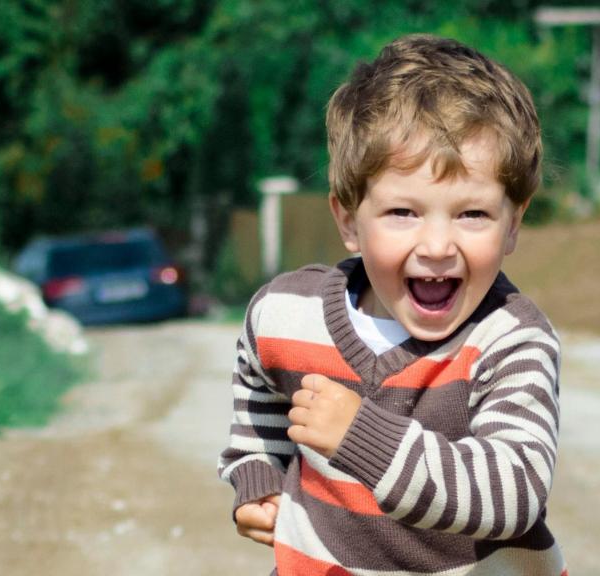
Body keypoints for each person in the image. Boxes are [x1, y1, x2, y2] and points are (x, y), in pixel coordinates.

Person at [218, 34, 566, 576]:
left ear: (513, 224)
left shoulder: (510, 339)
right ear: (349, 221)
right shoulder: (286, 312)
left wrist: (362, 438)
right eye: (403, 212)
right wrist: (258, 474)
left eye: (472, 214)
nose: (435, 246)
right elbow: (257, 382)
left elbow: (514, 491)